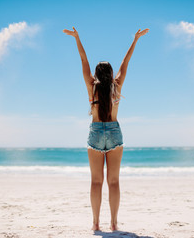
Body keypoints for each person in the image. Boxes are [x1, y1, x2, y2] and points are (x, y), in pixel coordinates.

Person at [63, 26, 149, 231]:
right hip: (114, 132)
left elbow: (83, 60)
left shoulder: (91, 87)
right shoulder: (116, 87)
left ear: (96, 73)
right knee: (113, 181)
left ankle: (95, 223)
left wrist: (77, 38)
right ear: (110, 74)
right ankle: (113, 223)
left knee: (95, 182)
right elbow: (125, 62)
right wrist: (135, 40)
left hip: (95, 132)